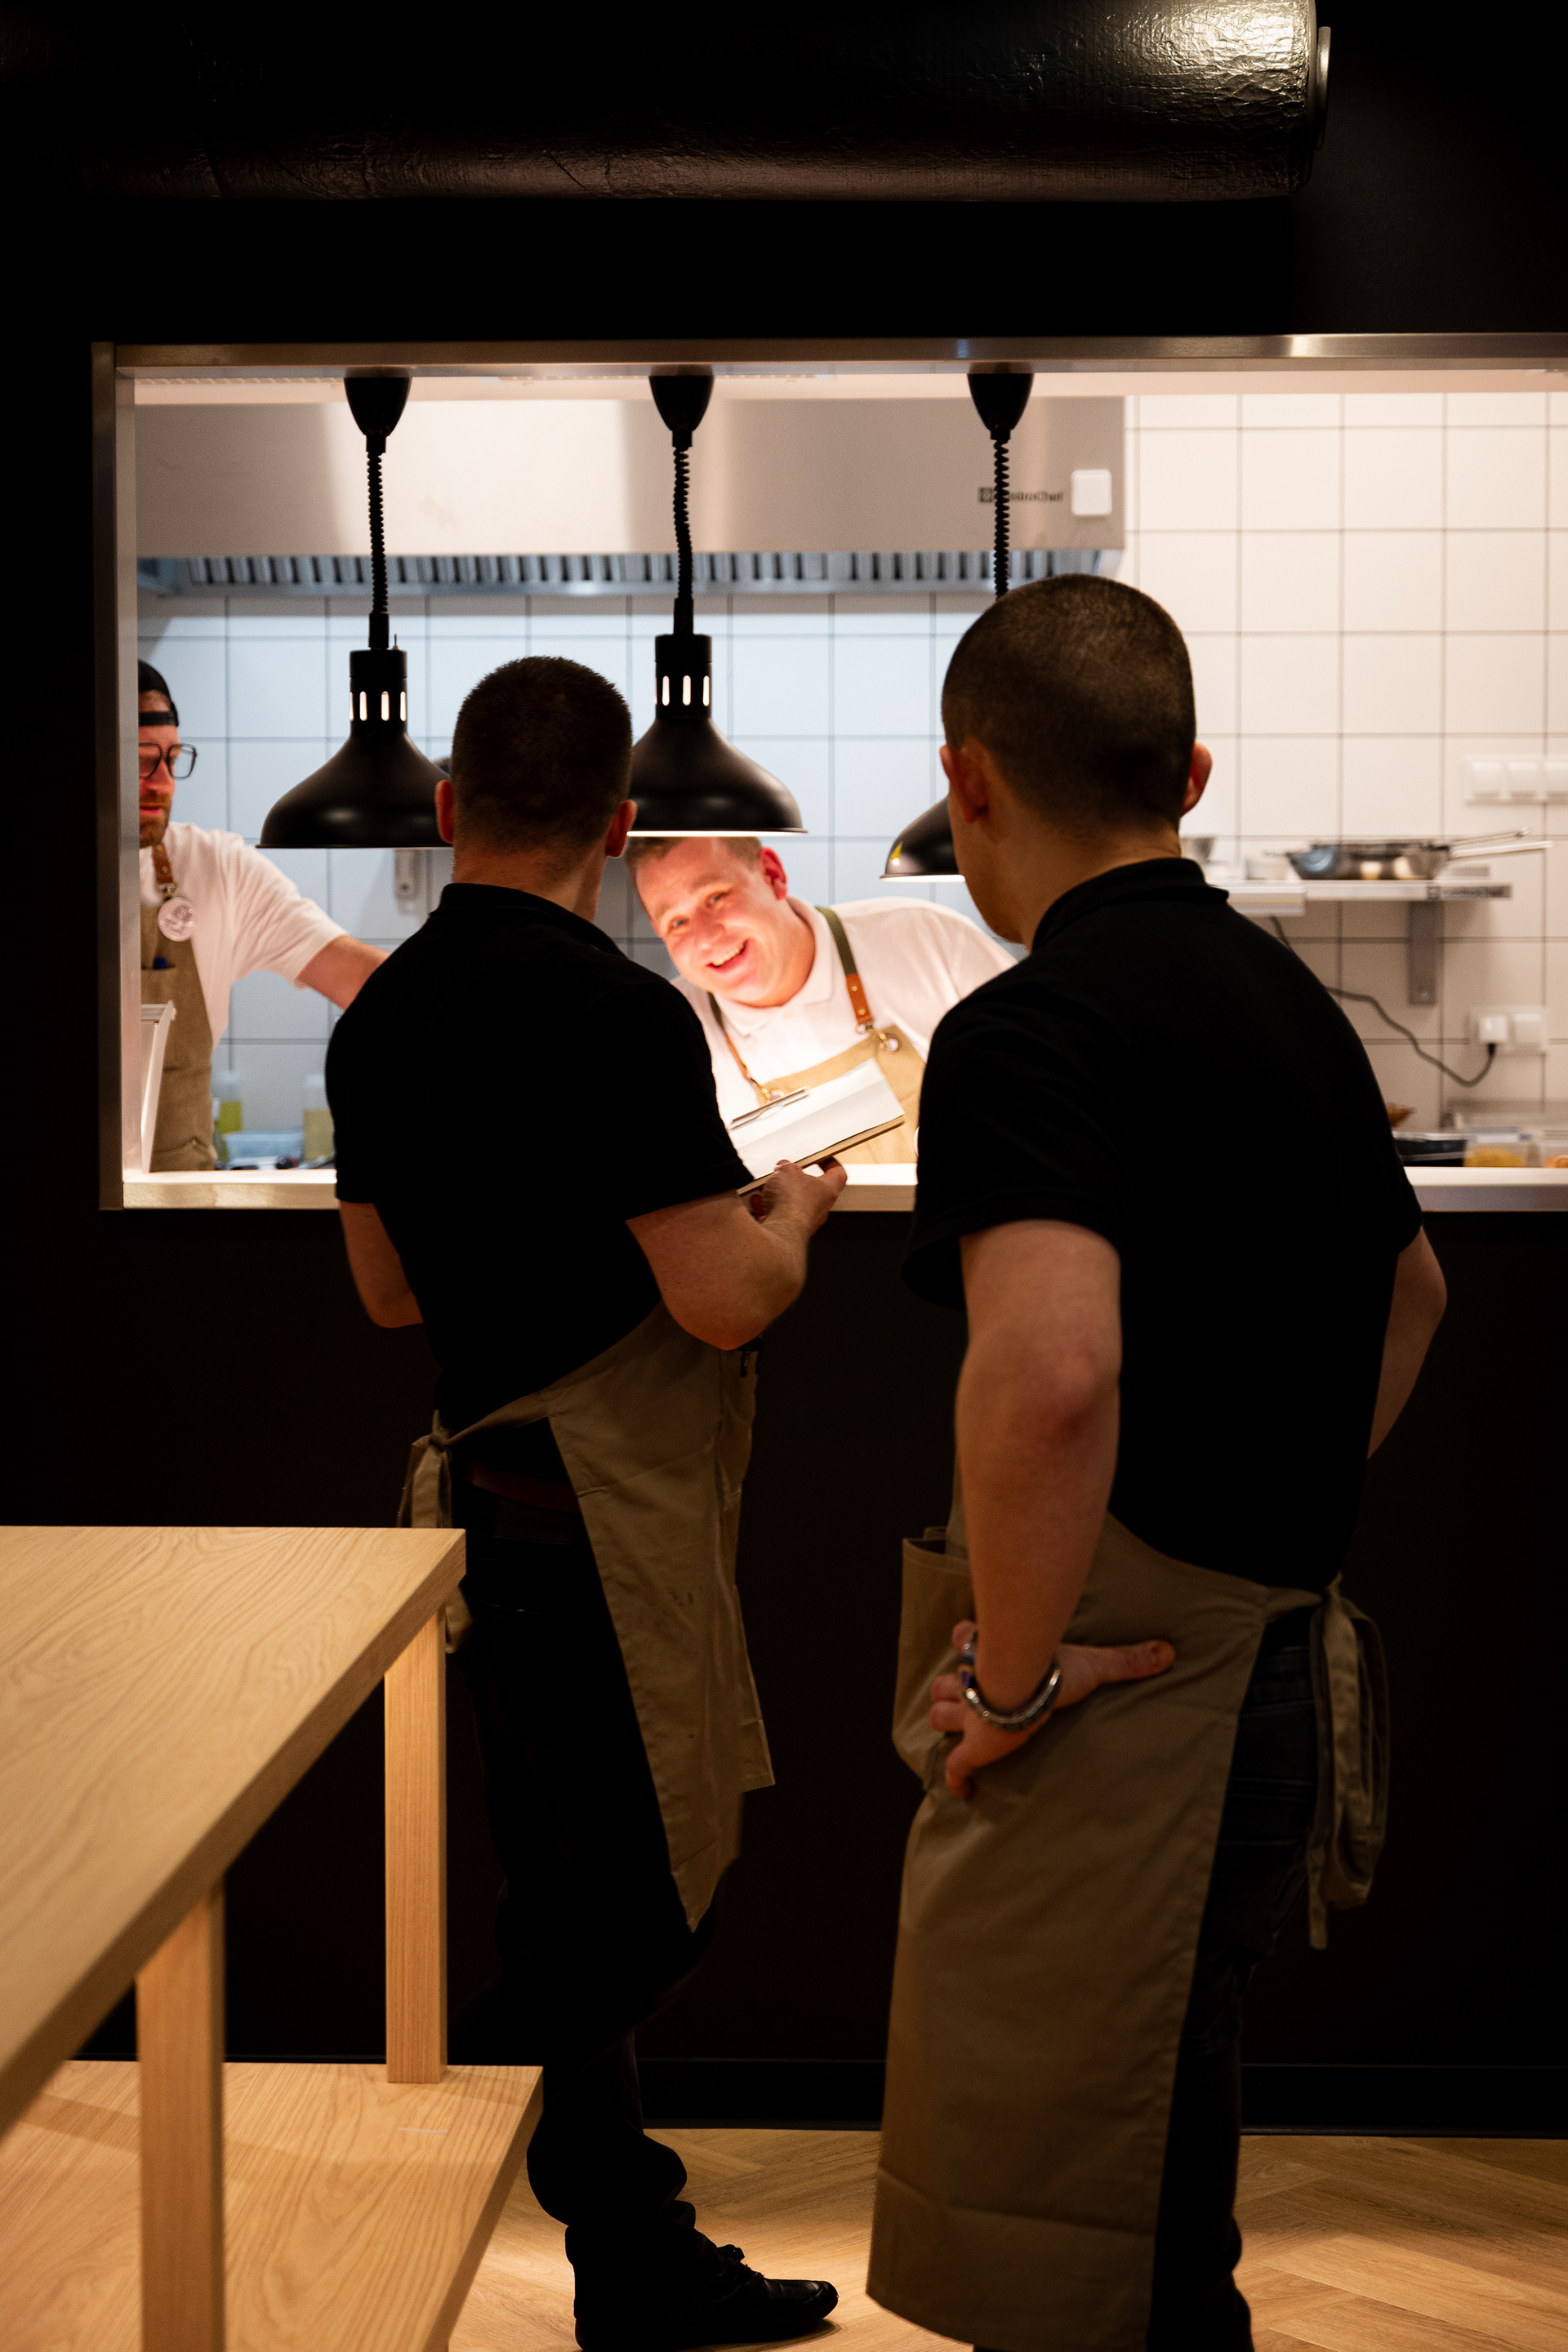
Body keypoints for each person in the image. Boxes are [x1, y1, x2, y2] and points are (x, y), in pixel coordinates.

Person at [866, 577, 1447, 2352]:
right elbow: (1414, 1295)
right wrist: (1268, 1501)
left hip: (1126, 1710)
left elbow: (1051, 1376)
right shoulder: (1289, 1000)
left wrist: (1015, 1678)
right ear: (1190, 776)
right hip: (1276, 1674)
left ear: (968, 782)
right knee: (1159, 2190)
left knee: (1074, 2235)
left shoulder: (1026, 1029)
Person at [325, 657, 844, 2352]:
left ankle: (632, 2258)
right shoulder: (618, 1016)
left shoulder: (380, 1017)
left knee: (559, 1889)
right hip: (599, 1521)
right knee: (652, 1895)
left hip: (483, 1520)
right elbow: (728, 1304)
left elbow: (389, 1293)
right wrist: (793, 1214)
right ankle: (455, 2103)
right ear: (621, 830)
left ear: (450, 809)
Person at [136, 661, 385, 1169]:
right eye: (143, 761)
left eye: (173, 759)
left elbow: (358, 975)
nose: (163, 782)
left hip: (177, 1193)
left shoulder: (216, 867)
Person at [628, 835, 1013, 1156]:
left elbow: (1037, 1079)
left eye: (716, 898)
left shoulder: (927, 939)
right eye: (677, 922)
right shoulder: (665, 1033)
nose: (706, 938)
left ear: (773, 875)